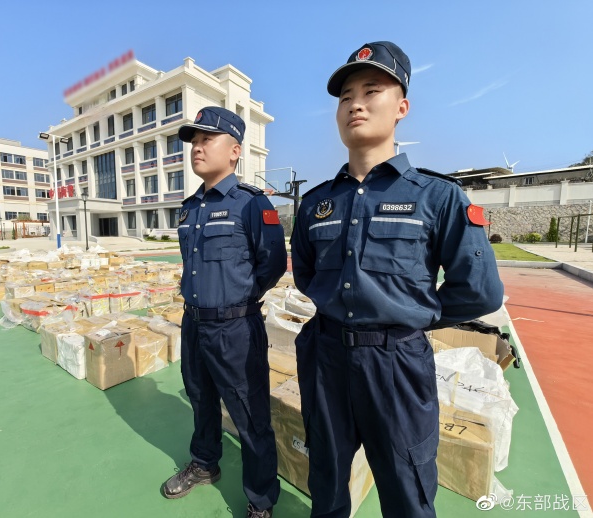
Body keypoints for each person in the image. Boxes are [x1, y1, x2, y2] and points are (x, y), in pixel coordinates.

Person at [290, 41, 504, 518]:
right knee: (324, 477)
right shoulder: (317, 203)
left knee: (407, 488)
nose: (355, 104)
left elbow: (481, 289)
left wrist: (408, 319)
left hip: (395, 365)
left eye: (371, 90)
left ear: (402, 107)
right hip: (325, 359)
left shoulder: (437, 196)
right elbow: (305, 273)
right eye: (346, 97)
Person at [162, 106, 286, 518]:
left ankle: (261, 500)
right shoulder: (190, 208)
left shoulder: (251, 204)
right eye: (193, 141)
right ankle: (204, 463)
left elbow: (271, 264)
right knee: (200, 399)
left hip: (236, 329)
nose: (196, 148)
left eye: (206, 140)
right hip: (194, 324)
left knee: (250, 417)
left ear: (234, 151)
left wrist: (236, 302)